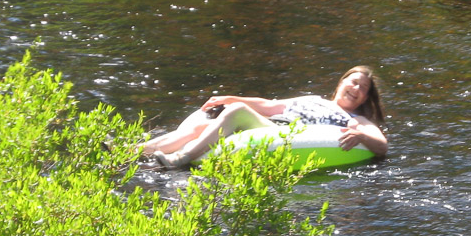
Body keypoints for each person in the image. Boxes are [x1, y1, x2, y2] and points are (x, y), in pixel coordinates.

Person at [144, 65, 388, 169]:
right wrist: (231, 98)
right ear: (342, 82)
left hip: (286, 135)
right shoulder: (311, 99)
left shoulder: (354, 119)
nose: (356, 89)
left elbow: (381, 145)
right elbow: (270, 106)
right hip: (270, 125)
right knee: (199, 129)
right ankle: (130, 151)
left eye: (363, 89)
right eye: (354, 82)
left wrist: (360, 134)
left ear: (366, 99)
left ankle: (182, 158)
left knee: (237, 113)